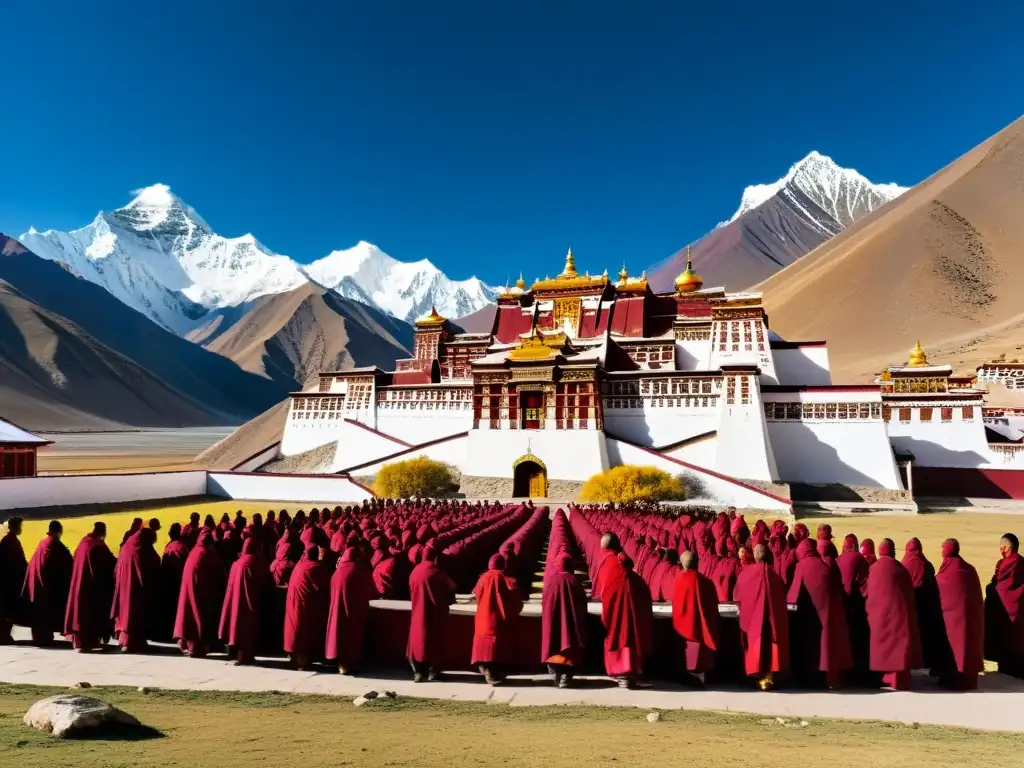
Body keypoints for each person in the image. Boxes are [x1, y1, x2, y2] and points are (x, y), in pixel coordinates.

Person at [786, 539, 852, 688]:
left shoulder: (802, 566)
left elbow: (792, 595)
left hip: (810, 614)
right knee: (826, 646)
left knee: (810, 647)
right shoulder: (824, 565)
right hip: (829, 612)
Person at [865, 539, 922, 690]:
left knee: (883, 646)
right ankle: (899, 679)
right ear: (892, 551)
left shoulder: (873, 568)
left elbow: (867, 590)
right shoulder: (901, 569)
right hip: (899, 613)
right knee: (897, 646)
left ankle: (883, 676)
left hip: (878, 614)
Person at [733, 544, 789, 691]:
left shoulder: (746, 574)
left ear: (755, 555)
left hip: (753, 622)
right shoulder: (774, 576)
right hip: (771, 622)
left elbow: (737, 596)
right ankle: (768, 677)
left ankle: (756, 676)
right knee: (770, 647)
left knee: (754, 646)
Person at [934, 539, 984, 690]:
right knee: (966, 647)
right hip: (970, 616)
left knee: (952, 647)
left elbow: (940, 591)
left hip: (951, 618)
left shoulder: (946, 571)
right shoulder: (970, 569)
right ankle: (968, 680)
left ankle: (951, 679)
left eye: (943, 547)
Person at [600, 553, 653, 689]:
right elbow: (647, 604)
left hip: (617, 624)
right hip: (635, 625)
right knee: (632, 647)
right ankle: (631, 675)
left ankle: (621, 675)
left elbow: (606, 604)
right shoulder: (639, 582)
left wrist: (608, 621)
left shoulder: (612, 581)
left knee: (619, 641)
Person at [173, 528, 227, 658]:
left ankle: (191, 645)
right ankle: (197, 647)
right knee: (199, 617)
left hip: (191, 591)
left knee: (189, 615)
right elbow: (217, 572)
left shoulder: (194, 552)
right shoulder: (205, 554)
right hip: (201, 592)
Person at [471, 554, 523, 686]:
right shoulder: (506, 579)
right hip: (498, 620)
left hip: (482, 619)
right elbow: (515, 597)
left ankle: (487, 670)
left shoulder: (482, 578)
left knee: (485, 649)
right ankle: (494, 674)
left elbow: (476, 595)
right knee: (497, 651)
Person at [63, 523, 117, 652]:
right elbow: (108, 563)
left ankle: (84, 643)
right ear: (103, 531)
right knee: (89, 613)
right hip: (91, 586)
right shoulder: (97, 545)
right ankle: (88, 642)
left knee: (80, 613)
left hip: (79, 584)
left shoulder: (84, 543)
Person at [407, 544, 456, 682]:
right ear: (435, 558)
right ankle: (434, 672)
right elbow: (452, 586)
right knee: (435, 641)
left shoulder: (414, 571)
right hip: (435, 613)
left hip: (417, 612)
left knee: (417, 640)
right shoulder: (437, 572)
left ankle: (418, 672)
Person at [670, 551, 719, 688]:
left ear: (682, 565)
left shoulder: (677, 581)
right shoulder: (707, 583)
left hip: (682, 630)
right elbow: (713, 606)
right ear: (697, 563)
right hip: (701, 630)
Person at [20, 521, 74, 646]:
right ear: (58, 532)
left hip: (38, 584)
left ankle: (41, 637)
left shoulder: (43, 543)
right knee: (47, 611)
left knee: (40, 613)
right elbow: (63, 563)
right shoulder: (54, 545)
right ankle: (44, 637)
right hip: (48, 586)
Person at [325, 546, 377, 675]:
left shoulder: (337, 572)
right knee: (353, 636)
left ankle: (341, 664)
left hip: (337, 610)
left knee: (339, 635)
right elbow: (370, 589)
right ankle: (352, 663)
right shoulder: (360, 570)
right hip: (355, 610)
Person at [219, 537, 270, 665]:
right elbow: (266, 579)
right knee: (249, 628)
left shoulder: (237, 564)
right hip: (251, 601)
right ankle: (247, 655)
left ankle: (240, 656)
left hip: (236, 602)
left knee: (238, 627)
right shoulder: (257, 561)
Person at [541, 553, 588, 688]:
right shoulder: (575, 581)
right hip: (572, 626)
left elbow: (545, 603)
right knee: (571, 647)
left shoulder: (551, 581)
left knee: (554, 644)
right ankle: (566, 676)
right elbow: (582, 605)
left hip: (554, 624)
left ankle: (557, 673)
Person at [111, 527, 161, 653]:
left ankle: (123, 641)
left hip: (123, 586)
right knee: (134, 613)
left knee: (124, 612)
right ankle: (131, 643)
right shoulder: (142, 547)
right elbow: (153, 561)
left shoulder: (128, 546)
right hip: (135, 588)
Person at [283, 545, 331, 670]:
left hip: (293, 604)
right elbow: (323, 588)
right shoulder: (316, 568)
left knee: (295, 631)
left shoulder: (299, 565)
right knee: (304, 634)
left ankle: (294, 659)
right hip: (306, 606)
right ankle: (302, 663)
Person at [985, 532, 1024, 678]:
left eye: (1001, 547)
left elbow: (1000, 587)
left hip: (1005, 610)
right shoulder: (1022, 562)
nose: (1000, 550)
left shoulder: (1005, 563)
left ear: (1006, 547)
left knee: (1005, 638)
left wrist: (990, 589)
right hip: (1020, 609)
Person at [0, 517, 28, 643]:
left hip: (10, 580)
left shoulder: (9, 541)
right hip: (9, 582)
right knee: (7, 610)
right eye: (20, 526)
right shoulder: (9, 542)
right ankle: (3, 635)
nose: (21, 529)